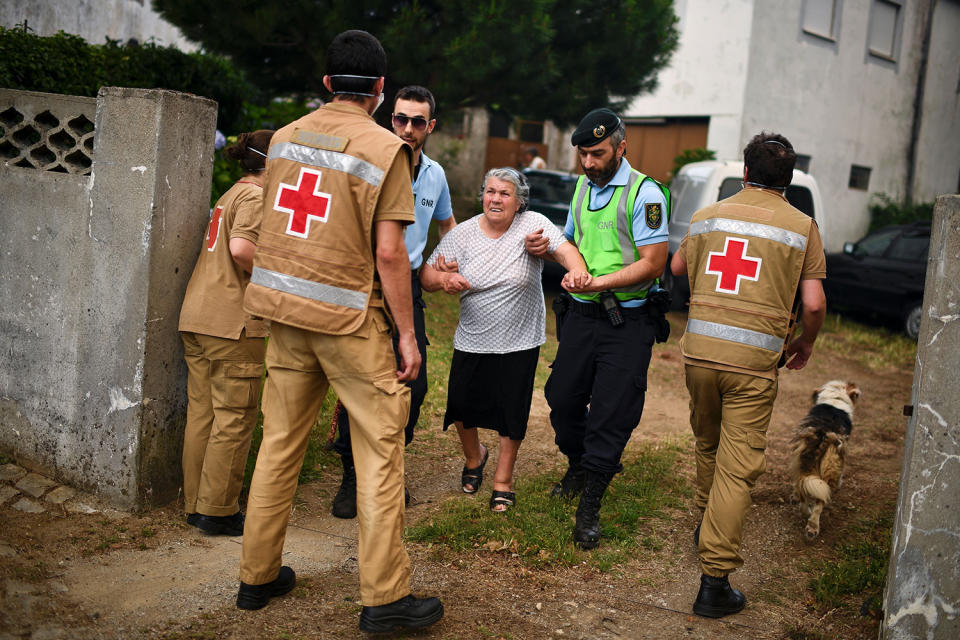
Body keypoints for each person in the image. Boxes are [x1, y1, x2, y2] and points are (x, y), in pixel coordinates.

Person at [236, 30, 443, 633]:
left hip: (285, 318)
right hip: (351, 322)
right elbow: (390, 254)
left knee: (278, 446)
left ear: (326, 84)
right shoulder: (388, 151)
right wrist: (407, 335)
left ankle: (256, 576)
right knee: (380, 452)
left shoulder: (282, 138)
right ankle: (385, 599)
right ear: (380, 90)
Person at [670, 132, 826, 618]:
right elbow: (815, 303)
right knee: (738, 467)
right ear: (790, 179)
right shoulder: (803, 227)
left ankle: (706, 522)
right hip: (753, 365)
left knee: (708, 445)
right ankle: (714, 583)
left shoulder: (706, 215)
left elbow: (676, 267)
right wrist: (804, 342)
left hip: (700, 355)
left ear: (744, 172)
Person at [525, 108, 671, 550]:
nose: (588, 163)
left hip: (626, 322)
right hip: (582, 318)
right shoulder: (581, 189)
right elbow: (570, 243)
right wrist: (547, 250)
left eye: (597, 153)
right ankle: (579, 463)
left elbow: (654, 263)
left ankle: (589, 505)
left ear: (621, 147)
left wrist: (598, 281)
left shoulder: (646, 194)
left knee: (611, 412)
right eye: (583, 154)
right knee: (561, 399)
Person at [421, 168, 590, 512]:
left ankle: (503, 481)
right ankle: (474, 458)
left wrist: (577, 270)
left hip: (519, 338)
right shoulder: (463, 233)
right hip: (473, 336)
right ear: (482, 195)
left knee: (511, 412)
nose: (496, 199)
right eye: (491, 192)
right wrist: (443, 281)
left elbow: (564, 249)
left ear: (519, 202)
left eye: (505, 194)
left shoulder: (532, 225)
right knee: (461, 407)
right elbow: (426, 274)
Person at [330, 85, 456, 519]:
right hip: (362, 282)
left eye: (417, 122)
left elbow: (447, 229)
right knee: (357, 381)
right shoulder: (371, 160)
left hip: (407, 288)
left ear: (430, 127)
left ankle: (386, 469)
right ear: (390, 117)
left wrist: (451, 265)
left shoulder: (435, 175)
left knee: (413, 385)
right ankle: (352, 475)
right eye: (400, 118)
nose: (407, 128)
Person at [178, 129, 274, 536]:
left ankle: (195, 504)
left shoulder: (231, 194)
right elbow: (240, 249)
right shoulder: (255, 197)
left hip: (198, 316)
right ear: (272, 162)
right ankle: (217, 512)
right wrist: (280, 275)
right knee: (234, 418)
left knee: (203, 414)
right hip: (232, 324)